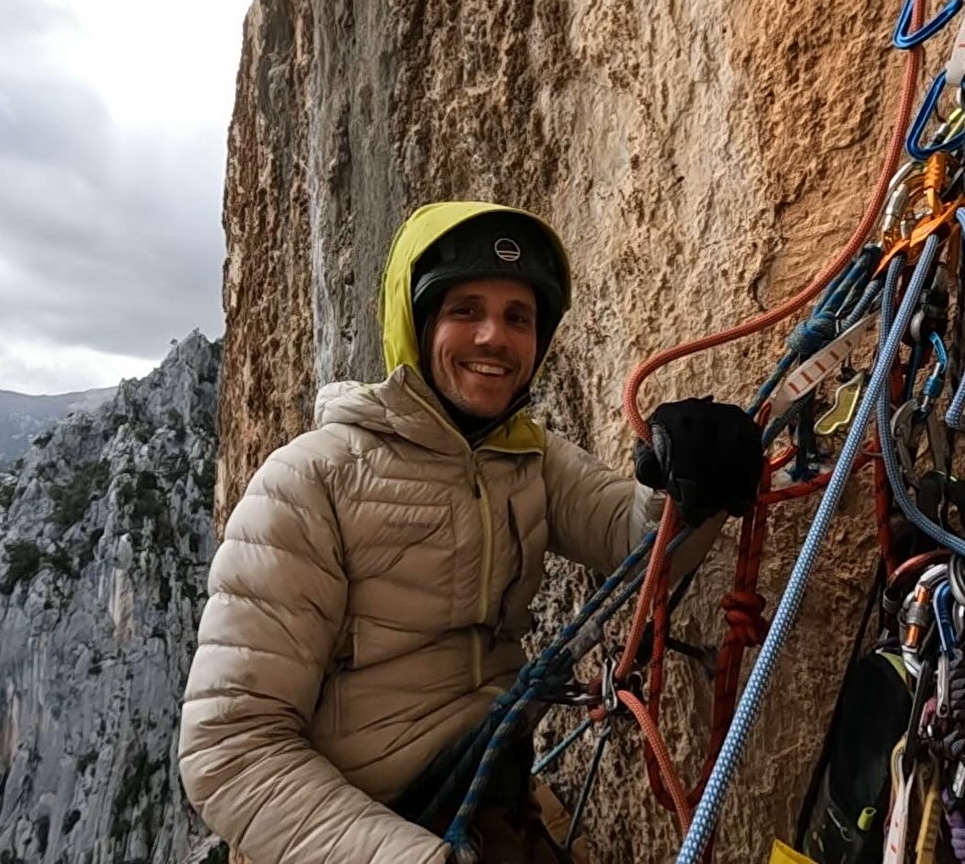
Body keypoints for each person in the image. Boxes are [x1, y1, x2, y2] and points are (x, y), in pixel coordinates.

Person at [178, 201, 764, 864]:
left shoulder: (525, 457)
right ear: (418, 322)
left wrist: (687, 482)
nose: (494, 337)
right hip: (360, 832)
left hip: (484, 799)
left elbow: (635, 545)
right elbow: (230, 748)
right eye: (466, 311)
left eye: (519, 317)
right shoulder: (311, 481)